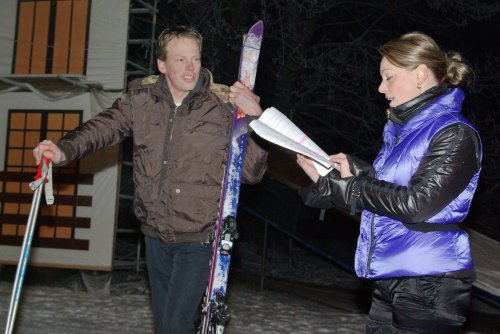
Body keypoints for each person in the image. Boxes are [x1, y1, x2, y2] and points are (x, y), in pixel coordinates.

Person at [32, 26, 268, 333]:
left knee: (173, 326)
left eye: (195, 59)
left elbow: (251, 172)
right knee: (167, 325)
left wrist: (256, 119)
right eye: (180, 59)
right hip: (155, 234)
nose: (190, 68)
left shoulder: (222, 106)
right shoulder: (140, 100)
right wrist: (64, 149)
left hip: (200, 237)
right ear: (162, 64)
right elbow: (102, 128)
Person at [297, 32, 482, 333]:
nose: (381, 88)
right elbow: (387, 195)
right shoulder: (402, 133)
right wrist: (342, 178)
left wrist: (354, 186)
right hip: (392, 272)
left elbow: (417, 203)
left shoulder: (455, 133)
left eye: (388, 77)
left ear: (420, 74)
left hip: (429, 279)